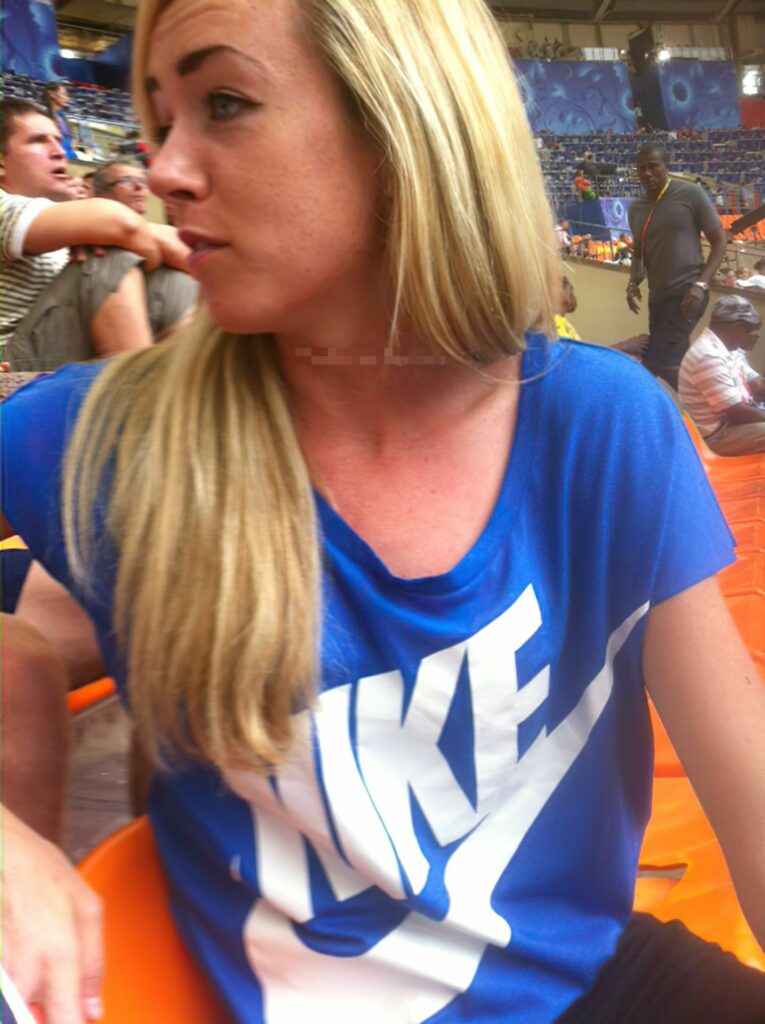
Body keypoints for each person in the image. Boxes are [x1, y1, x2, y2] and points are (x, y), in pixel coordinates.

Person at [3, 3, 765, 1024]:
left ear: (403, 125)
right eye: (160, 118)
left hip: (585, 979)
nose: (166, 168)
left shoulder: (601, 424)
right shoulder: (111, 436)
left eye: (223, 104)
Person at [0, 99, 192, 367]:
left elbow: (175, 246)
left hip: (59, 346)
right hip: (12, 362)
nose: (60, 152)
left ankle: (187, 387)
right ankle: (135, 391)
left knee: (171, 280)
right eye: (38, 140)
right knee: (109, 255)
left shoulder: (59, 221)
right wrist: (115, 236)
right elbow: (123, 226)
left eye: (58, 140)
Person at [626, 143, 726, 390]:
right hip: (657, 296)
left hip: (688, 293)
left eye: (653, 166)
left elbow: (719, 241)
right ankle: (702, 406)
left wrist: (701, 285)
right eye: (641, 168)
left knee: (660, 361)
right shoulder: (636, 208)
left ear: (666, 167)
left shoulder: (691, 194)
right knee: (673, 359)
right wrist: (633, 281)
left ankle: (708, 406)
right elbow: (639, 250)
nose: (647, 173)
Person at [678, 294, 765, 455]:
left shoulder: (728, 349)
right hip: (715, 437)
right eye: (749, 331)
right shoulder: (708, 355)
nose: (751, 337)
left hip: (730, 423)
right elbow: (737, 413)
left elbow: (756, 383)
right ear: (737, 327)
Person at [43, 81, 77, 160]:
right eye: (64, 94)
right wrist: (72, 149)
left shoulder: (62, 116)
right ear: (52, 94)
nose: (67, 98)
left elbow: (69, 141)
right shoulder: (44, 116)